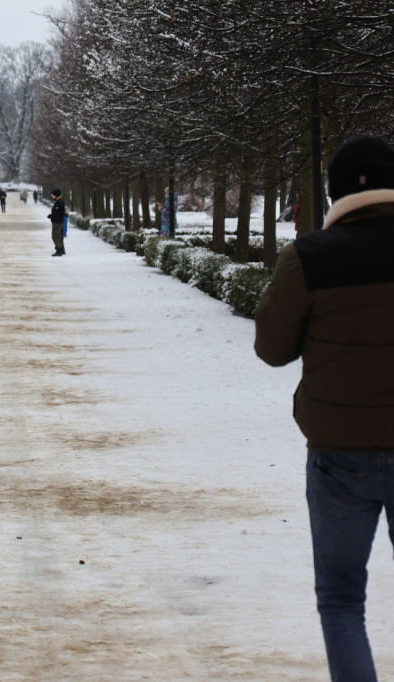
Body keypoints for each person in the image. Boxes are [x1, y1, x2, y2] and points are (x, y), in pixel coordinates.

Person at [254, 134, 394, 682]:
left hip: (339, 453)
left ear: (335, 192)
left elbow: (272, 349)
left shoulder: (308, 257)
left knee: (340, 601)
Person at [48, 189, 67, 256]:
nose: (51, 195)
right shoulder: (58, 201)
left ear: (55, 195)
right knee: (57, 236)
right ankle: (61, 249)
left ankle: (59, 250)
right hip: (58, 221)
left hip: (57, 222)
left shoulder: (59, 202)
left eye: (52, 194)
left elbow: (58, 213)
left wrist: (52, 215)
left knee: (55, 236)